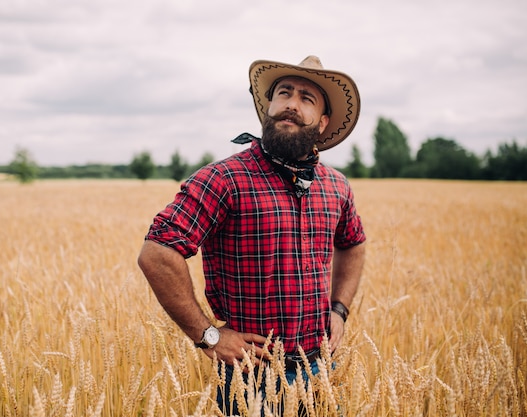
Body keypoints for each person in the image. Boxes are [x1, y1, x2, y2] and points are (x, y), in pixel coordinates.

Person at [137, 55, 366, 414]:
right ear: (267, 107)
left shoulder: (336, 186)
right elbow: (157, 251)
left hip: (320, 367)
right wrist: (209, 335)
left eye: (306, 98)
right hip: (251, 375)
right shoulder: (224, 179)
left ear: (322, 122)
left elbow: (352, 244)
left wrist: (339, 308)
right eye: (284, 93)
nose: (291, 104)